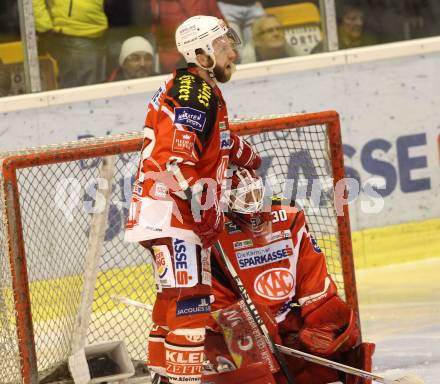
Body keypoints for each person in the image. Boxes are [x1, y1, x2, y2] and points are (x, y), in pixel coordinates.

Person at [124, 15, 262, 384]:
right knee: (191, 301)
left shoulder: (193, 88)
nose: (233, 51)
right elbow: (176, 162)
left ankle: (162, 379)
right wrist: (206, 209)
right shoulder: (194, 93)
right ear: (201, 55)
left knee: (172, 299)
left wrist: (235, 148)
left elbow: (201, 143)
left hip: (161, 211)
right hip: (174, 212)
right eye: (223, 46)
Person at [205, 167, 375, 383]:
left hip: (285, 322)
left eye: (254, 193)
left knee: (342, 340)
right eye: (242, 196)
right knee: (251, 359)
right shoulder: (211, 234)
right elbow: (215, 302)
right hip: (240, 330)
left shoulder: (288, 217)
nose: (251, 201)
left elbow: (312, 278)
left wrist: (321, 316)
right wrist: (246, 324)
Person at [32, 0, 108, 88]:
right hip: (72, 34)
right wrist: (44, 26)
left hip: (96, 32)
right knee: (82, 92)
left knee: (94, 89)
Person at [149, 0, 225, 73]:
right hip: (174, 57)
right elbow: (157, 34)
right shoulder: (158, 3)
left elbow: (221, 24)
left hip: (208, 50)